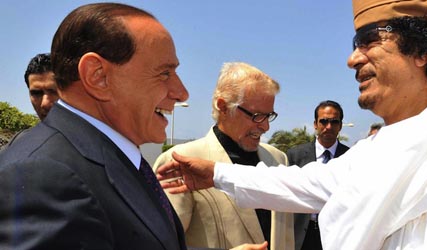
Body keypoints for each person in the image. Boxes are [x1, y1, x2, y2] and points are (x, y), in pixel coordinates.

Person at [157, 0, 427, 249]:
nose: (352, 58)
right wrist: (214, 173)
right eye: (354, 44)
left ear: (422, 50)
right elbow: (303, 185)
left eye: (368, 41)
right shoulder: (376, 152)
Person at [0, 3, 265, 250]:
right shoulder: (46, 175)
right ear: (98, 76)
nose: (181, 92)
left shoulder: (110, 156)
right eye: (164, 73)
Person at [153, 62, 293, 250]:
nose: (265, 126)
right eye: (257, 115)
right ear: (223, 107)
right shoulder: (180, 161)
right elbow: (158, 244)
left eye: (269, 116)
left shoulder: (278, 159)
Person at [286, 100, 350, 250]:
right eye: (324, 121)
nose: (329, 127)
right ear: (315, 124)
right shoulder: (295, 155)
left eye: (334, 122)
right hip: (302, 235)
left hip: (337, 235)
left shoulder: (351, 156)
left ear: (340, 125)